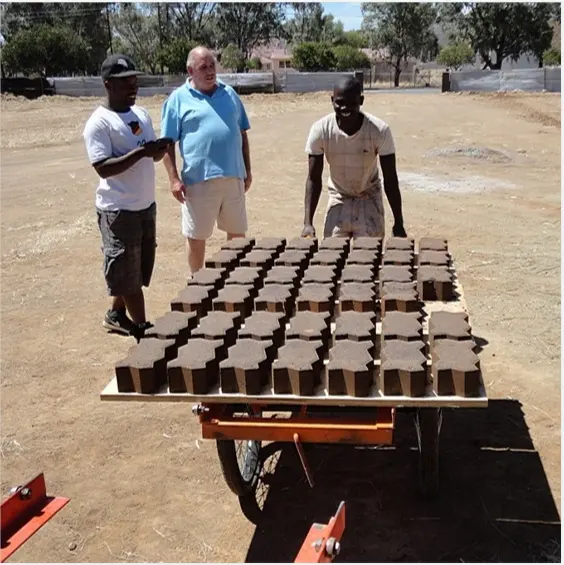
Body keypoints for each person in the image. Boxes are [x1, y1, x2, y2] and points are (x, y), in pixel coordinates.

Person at [83, 54, 172, 337]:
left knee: (136, 270)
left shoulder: (140, 114)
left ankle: (116, 313)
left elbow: (148, 155)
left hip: (145, 205)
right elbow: (103, 168)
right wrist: (142, 153)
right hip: (118, 210)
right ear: (108, 85)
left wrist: (157, 151)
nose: (133, 86)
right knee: (129, 275)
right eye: (125, 82)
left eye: (134, 80)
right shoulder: (99, 123)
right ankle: (143, 330)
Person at [161, 46, 252, 277]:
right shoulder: (178, 99)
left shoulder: (229, 94)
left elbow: (242, 133)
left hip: (233, 176)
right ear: (190, 70)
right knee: (196, 234)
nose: (210, 71)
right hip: (199, 180)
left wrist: (247, 170)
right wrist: (173, 179)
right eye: (204, 67)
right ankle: (196, 281)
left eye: (212, 65)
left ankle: (236, 280)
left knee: (236, 232)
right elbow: (167, 143)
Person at [302, 77, 406, 240]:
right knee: (331, 256)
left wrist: (399, 223)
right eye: (340, 103)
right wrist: (308, 223)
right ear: (332, 101)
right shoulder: (320, 130)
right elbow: (314, 179)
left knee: (370, 255)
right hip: (338, 197)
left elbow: (390, 179)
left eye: (351, 103)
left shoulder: (379, 130)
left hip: (369, 196)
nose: (345, 108)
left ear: (361, 101)